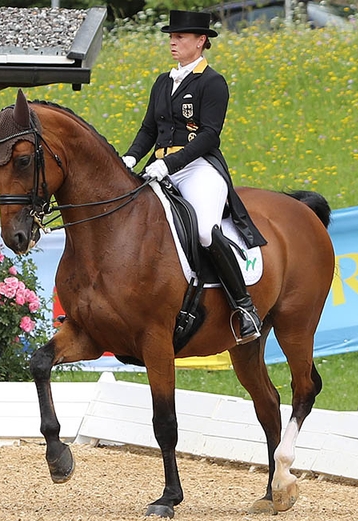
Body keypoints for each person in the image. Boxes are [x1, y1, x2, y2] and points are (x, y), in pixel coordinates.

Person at [121, 10, 262, 344]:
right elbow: (149, 129)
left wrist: (170, 165)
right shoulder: (163, 81)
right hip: (159, 166)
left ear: (201, 42)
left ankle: (244, 308)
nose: (173, 42)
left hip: (199, 167)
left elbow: (209, 136)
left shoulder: (212, 82)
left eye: (180, 37)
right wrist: (130, 156)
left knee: (203, 231)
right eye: (171, 37)